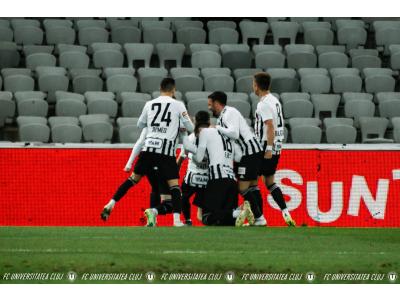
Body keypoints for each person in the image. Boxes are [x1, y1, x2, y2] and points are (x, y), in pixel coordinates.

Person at [101, 78, 194, 227]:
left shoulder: (149, 104)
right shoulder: (178, 105)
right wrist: (179, 125)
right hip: (165, 152)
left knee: (132, 180)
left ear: (160, 88)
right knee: (174, 187)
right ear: (173, 90)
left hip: (148, 150)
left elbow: (140, 124)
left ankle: (111, 203)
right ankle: (176, 221)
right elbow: (189, 127)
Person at [183, 111, 254, 227]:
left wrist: (189, 147)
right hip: (231, 181)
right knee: (228, 223)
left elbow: (200, 158)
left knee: (206, 217)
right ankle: (238, 212)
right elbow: (238, 157)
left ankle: (238, 212)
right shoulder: (231, 138)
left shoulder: (206, 133)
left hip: (217, 179)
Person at [208, 91, 267, 226]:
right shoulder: (222, 117)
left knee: (242, 188)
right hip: (249, 153)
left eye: (210, 104)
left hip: (250, 151)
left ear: (217, 103)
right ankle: (259, 219)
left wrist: (216, 128)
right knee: (253, 186)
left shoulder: (230, 112)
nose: (209, 107)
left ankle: (259, 217)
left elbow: (234, 133)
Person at [253, 72, 296, 226]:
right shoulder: (275, 100)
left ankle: (259, 218)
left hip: (265, 146)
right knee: (269, 182)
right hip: (277, 145)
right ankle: (286, 213)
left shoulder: (263, 104)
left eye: (253, 84)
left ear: (256, 86)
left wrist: (268, 149)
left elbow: (270, 126)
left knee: (251, 184)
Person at [177, 111, 210, 225]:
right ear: (209, 122)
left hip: (192, 175)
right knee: (204, 207)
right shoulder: (214, 137)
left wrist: (174, 173)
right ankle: (207, 220)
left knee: (184, 197)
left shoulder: (190, 138)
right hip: (207, 177)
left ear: (195, 121)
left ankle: (187, 220)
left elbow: (181, 158)